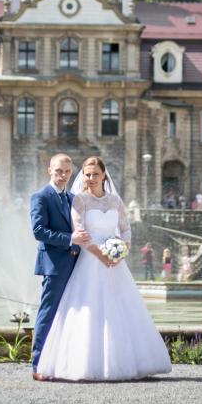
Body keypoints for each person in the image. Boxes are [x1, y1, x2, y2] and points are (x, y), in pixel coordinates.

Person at [36, 156, 171, 381]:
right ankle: (86, 363)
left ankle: (126, 361)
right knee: (88, 311)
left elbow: (126, 230)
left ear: (104, 175)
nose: (90, 178)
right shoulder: (80, 200)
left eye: (95, 174)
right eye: (87, 174)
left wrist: (120, 252)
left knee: (122, 309)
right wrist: (102, 255)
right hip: (90, 261)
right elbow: (80, 233)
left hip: (115, 264)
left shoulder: (116, 202)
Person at [29, 153, 91, 379]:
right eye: (58, 171)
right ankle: (38, 365)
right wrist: (70, 239)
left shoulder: (72, 198)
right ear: (49, 171)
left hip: (75, 264)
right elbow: (38, 231)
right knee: (48, 313)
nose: (63, 175)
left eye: (66, 171)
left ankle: (62, 362)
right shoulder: (40, 197)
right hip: (54, 265)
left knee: (70, 314)